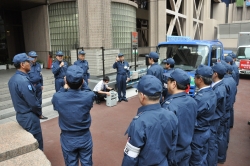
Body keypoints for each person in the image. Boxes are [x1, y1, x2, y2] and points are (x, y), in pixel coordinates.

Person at [122, 75, 178, 166]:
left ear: (142, 96)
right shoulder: (171, 115)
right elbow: (172, 147)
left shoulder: (138, 122)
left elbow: (130, 158)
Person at [52, 65, 95, 166]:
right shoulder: (88, 96)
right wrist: (83, 83)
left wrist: (64, 88)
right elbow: (88, 91)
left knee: (71, 163)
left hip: (68, 137)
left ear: (66, 80)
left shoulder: (58, 97)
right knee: (87, 162)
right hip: (84, 135)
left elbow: (56, 100)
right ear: (82, 81)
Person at [161, 68, 197, 166]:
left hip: (174, 152)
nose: (167, 84)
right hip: (186, 148)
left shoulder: (169, 105)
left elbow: (166, 135)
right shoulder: (192, 101)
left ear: (174, 84)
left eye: (168, 81)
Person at [8, 53, 43, 150]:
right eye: (28, 61)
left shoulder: (13, 79)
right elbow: (33, 103)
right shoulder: (23, 81)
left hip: (21, 115)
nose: (31, 63)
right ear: (22, 64)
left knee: (28, 143)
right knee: (36, 144)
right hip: (29, 117)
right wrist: (39, 113)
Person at [189, 65, 217, 166]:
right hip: (206, 130)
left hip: (198, 133)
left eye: (195, 77)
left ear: (200, 79)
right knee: (203, 157)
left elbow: (191, 116)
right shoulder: (211, 92)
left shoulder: (200, 98)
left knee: (196, 161)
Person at [206, 62, 227, 165]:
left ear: (215, 74)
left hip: (214, 120)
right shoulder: (218, 85)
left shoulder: (218, 90)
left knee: (211, 145)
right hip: (216, 119)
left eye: (212, 71)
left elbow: (211, 106)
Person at [219, 61, 237, 163]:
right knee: (225, 132)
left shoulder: (224, 83)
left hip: (223, 112)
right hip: (227, 109)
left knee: (220, 136)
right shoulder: (231, 80)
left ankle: (221, 157)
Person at [27, 51, 48, 120]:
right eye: (32, 57)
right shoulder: (27, 66)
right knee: (32, 102)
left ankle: (40, 114)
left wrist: (41, 84)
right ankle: (32, 116)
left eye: (35, 57)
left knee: (39, 101)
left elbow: (40, 75)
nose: (34, 58)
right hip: (31, 86)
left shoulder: (38, 65)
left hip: (38, 85)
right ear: (29, 57)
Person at [224, 56, 237, 128]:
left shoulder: (226, 81)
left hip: (227, 104)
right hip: (231, 95)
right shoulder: (231, 78)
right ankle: (230, 124)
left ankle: (230, 124)